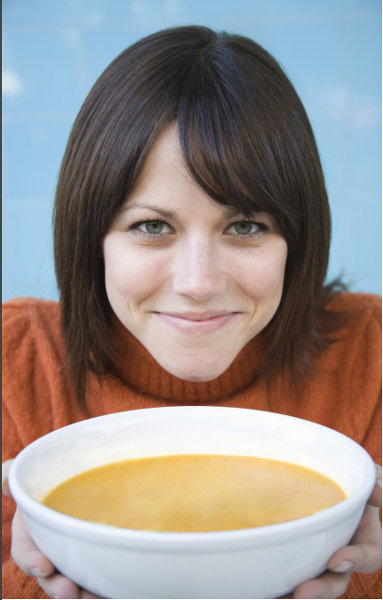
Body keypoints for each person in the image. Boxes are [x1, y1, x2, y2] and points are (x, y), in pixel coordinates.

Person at [2, 25, 381, 600]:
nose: (199, 284)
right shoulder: (14, 365)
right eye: (152, 226)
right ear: (91, 239)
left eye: (246, 226)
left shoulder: (373, 355)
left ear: (297, 240)